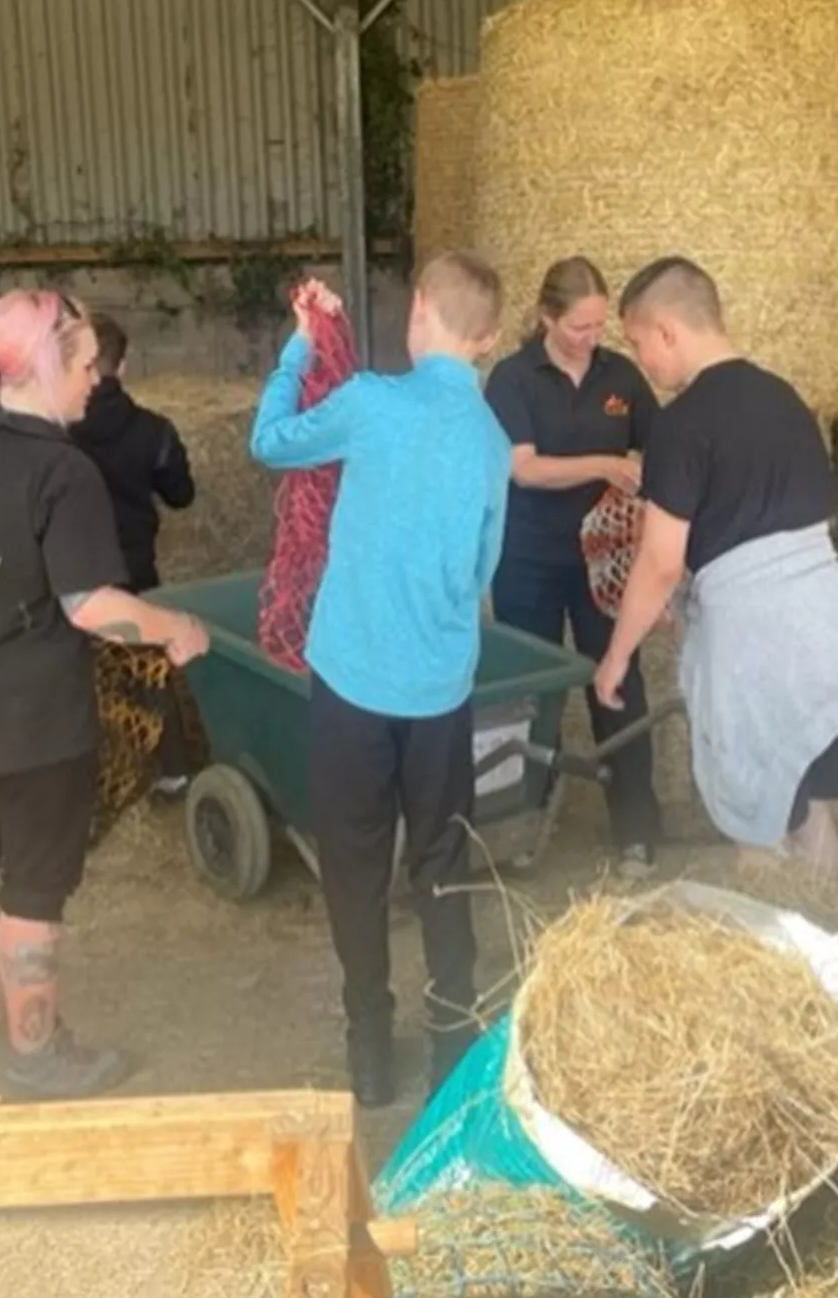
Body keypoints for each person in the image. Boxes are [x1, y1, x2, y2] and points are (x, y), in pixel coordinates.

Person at [0, 289, 210, 1099]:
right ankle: (35, 1056)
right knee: (33, 886)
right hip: (34, 728)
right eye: (88, 363)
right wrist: (171, 627)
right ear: (50, 366)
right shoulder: (64, 471)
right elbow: (90, 606)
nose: (97, 380)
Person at [249, 252, 511, 1110]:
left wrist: (297, 347)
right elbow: (482, 567)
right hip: (440, 686)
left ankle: (369, 1041)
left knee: (356, 863)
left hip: (355, 679)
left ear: (420, 312)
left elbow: (270, 441)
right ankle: (451, 1040)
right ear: (492, 338)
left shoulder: (368, 402)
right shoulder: (493, 443)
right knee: (443, 856)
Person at [593, 257, 838, 879]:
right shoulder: (786, 398)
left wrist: (617, 655)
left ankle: (772, 962)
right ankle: (825, 936)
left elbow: (660, 562)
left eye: (639, 343)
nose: (641, 362)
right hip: (834, 632)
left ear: (668, 331)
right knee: (810, 813)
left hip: (761, 649)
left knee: (757, 820)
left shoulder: (681, 425)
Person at [483, 258, 664, 878]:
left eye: (598, 325)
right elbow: (523, 468)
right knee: (533, 693)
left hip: (604, 562)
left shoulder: (622, 376)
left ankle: (637, 829)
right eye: (579, 326)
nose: (591, 337)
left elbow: (658, 443)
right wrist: (606, 466)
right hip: (529, 556)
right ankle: (525, 824)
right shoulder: (511, 379)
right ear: (546, 318)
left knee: (616, 683)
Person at [68, 312, 205, 797]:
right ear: (122, 366)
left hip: (75, 572)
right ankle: (172, 770)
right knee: (149, 665)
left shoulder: (57, 432)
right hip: (135, 565)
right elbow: (181, 494)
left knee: (78, 673)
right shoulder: (153, 430)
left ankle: (93, 778)